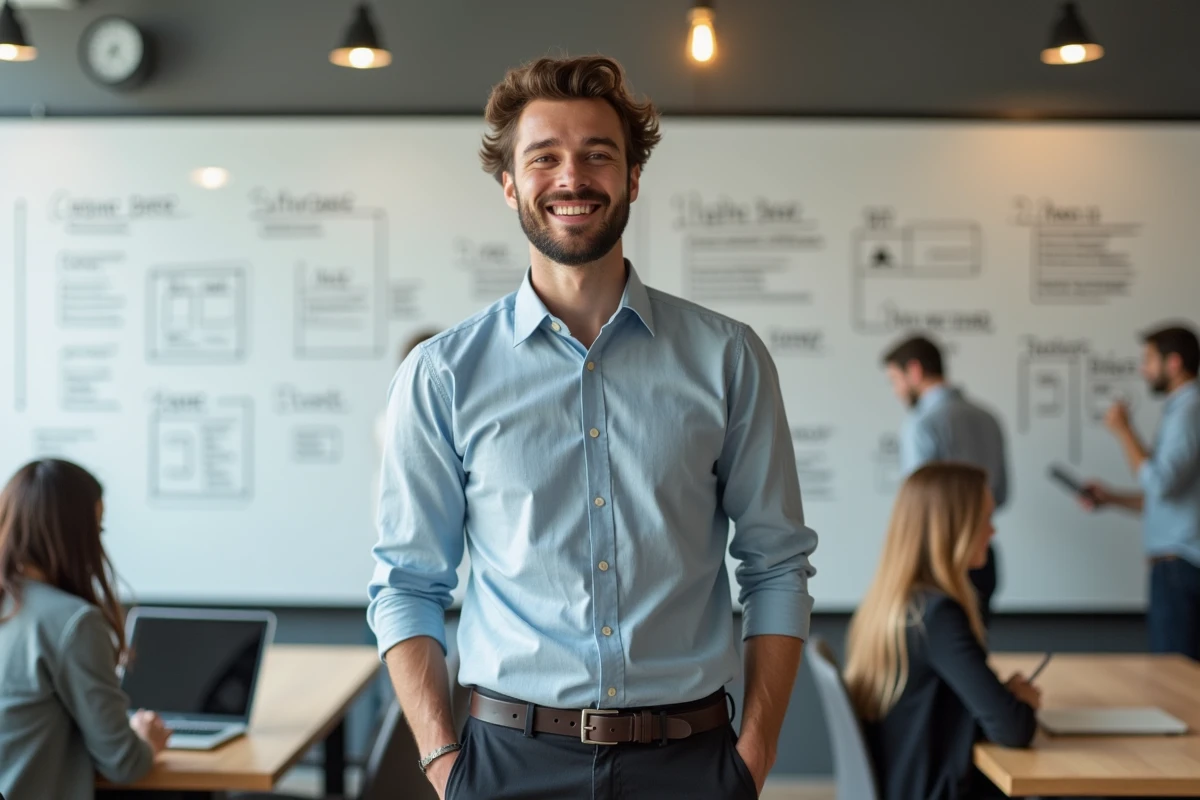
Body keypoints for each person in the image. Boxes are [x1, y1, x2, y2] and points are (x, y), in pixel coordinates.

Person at [368, 55, 818, 799]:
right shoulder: (442, 374)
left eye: (597, 155)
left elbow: (775, 565)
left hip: (692, 763)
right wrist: (445, 765)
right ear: (509, 184)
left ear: (634, 178)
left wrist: (754, 752)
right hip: (505, 763)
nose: (571, 179)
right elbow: (407, 584)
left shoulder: (728, 356)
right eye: (544, 158)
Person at [844, 463, 1038, 800]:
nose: (992, 532)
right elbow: (1013, 729)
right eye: (985, 519)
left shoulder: (896, 604)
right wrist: (1020, 703)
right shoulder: (937, 616)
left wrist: (1000, 697)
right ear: (954, 528)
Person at [0, 459, 171, 800]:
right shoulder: (71, 622)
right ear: (76, 533)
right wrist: (145, 740)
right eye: (98, 527)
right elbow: (123, 762)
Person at [1081, 323, 1200, 660]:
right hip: (1178, 562)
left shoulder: (1188, 411)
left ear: (1173, 363)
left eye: (1148, 360)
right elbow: (1169, 497)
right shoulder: (1183, 411)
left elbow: (1160, 484)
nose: (1142, 369)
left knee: (1173, 679)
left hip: (1180, 565)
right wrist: (1112, 498)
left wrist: (1124, 431)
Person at [882, 334, 1009, 626]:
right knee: (973, 654)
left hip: (936, 564)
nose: (896, 390)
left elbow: (919, 507)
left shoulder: (922, 423)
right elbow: (1001, 493)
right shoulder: (989, 418)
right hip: (982, 555)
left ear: (914, 371)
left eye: (894, 379)